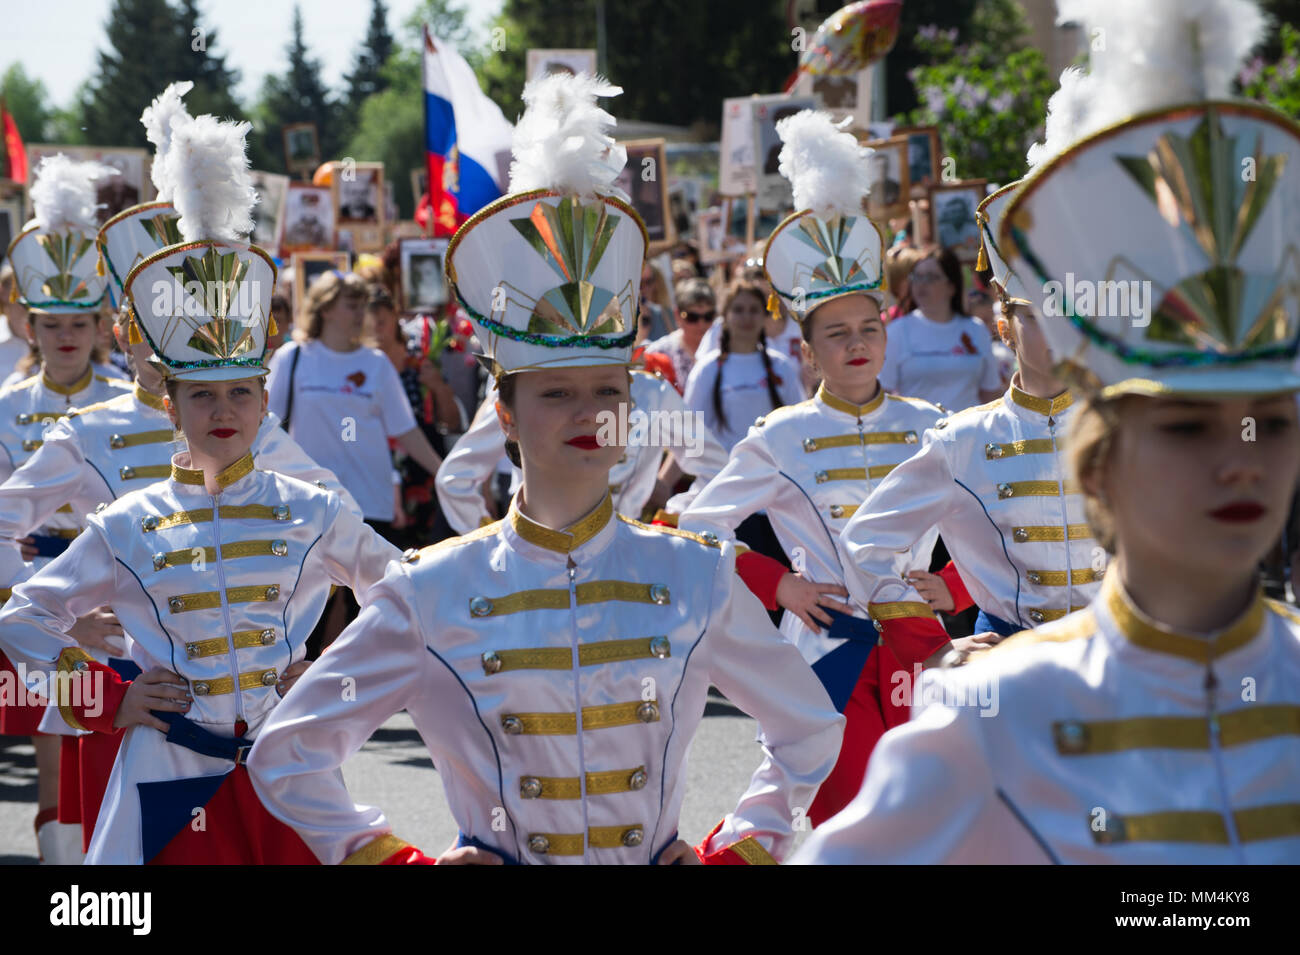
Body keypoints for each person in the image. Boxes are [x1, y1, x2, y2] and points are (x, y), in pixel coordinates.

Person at [247, 72, 842, 866]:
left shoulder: (696, 574)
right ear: (505, 414)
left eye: (607, 390)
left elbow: (810, 729)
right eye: (556, 392)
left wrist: (740, 847)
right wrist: (398, 860)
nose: (588, 412)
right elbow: (286, 750)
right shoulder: (429, 590)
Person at [797, 0, 1300, 863]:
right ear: (1099, 462)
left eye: (1269, 422)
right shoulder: (997, 715)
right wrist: (944, 626)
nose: (1237, 460)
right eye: (1184, 427)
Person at [0, 111, 399, 865]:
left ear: (264, 398)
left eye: (242, 394)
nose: (225, 413)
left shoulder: (308, 507)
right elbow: (24, 613)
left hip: (288, 766)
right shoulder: (124, 515)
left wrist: (331, 675)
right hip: (162, 767)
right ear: (169, 401)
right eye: (202, 396)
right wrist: (104, 689)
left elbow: (408, 591)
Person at [679, 110, 951, 825]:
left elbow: (990, 522)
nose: (857, 344)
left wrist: (951, 585)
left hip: (923, 647)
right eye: (837, 334)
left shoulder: (932, 426)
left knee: (931, 820)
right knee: (851, 819)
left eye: (869, 329)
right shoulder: (782, 434)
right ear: (806, 350)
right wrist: (783, 584)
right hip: (830, 652)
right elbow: (696, 520)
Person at [0, 154, 135, 862]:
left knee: (128, 739)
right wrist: (52, 607)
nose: (66, 336)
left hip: (124, 586)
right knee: (57, 741)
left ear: (101, 323)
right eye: (51, 323)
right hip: (42, 590)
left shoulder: (125, 401)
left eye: (80, 321)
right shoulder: (7, 407)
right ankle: (68, 882)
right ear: (30, 327)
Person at [684, 279, 805, 453]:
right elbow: (690, 434)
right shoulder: (706, 370)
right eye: (739, 310)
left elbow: (798, 425)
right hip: (721, 475)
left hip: (773, 475)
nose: (746, 317)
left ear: (765, 317)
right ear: (725, 316)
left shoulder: (782, 366)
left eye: (754, 310)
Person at [878, 245, 1003, 411]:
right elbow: (883, 394)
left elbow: (990, 395)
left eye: (931, 277)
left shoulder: (976, 330)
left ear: (951, 287)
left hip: (970, 434)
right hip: (919, 434)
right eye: (917, 277)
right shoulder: (897, 331)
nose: (922, 284)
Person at [643, 277, 717, 391]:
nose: (701, 324)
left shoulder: (724, 347)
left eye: (708, 316)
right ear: (677, 315)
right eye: (692, 317)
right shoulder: (659, 352)